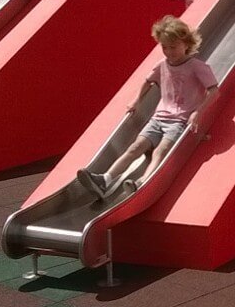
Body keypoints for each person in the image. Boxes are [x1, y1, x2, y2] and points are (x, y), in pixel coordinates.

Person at [77, 16, 219, 199]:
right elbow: (148, 81)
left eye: (173, 47)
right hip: (158, 118)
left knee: (160, 150)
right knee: (135, 147)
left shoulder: (197, 67)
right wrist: (137, 101)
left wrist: (197, 112)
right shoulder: (162, 65)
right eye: (164, 47)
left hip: (180, 121)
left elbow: (214, 90)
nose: (168, 52)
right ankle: (105, 180)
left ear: (186, 43)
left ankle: (142, 182)